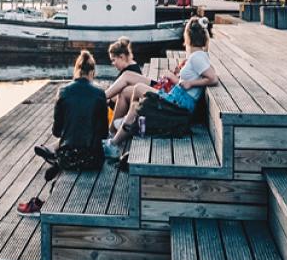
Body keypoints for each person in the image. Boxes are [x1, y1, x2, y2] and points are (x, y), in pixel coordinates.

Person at [106, 17, 217, 155]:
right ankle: (122, 129)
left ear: (187, 37)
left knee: (138, 89)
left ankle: (122, 128)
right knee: (136, 95)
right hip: (177, 98)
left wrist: (189, 83)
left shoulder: (197, 57)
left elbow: (213, 78)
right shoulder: (199, 55)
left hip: (178, 103)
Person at [19, 50, 108, 216]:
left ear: (76, 70)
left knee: (61, 152)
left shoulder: (63, 91)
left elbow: (57, 131)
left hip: (68, 158)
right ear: (92, 72)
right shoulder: (100, 93)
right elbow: (103, 134)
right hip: (93, 160)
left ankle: (44, 195)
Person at [103, 37, 151, 130]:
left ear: (121, 57)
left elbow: (121, 94)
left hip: (121, 113)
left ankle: (111, 130)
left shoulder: (130, 71)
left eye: (113, 60)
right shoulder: (131, 68)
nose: (113, 63)